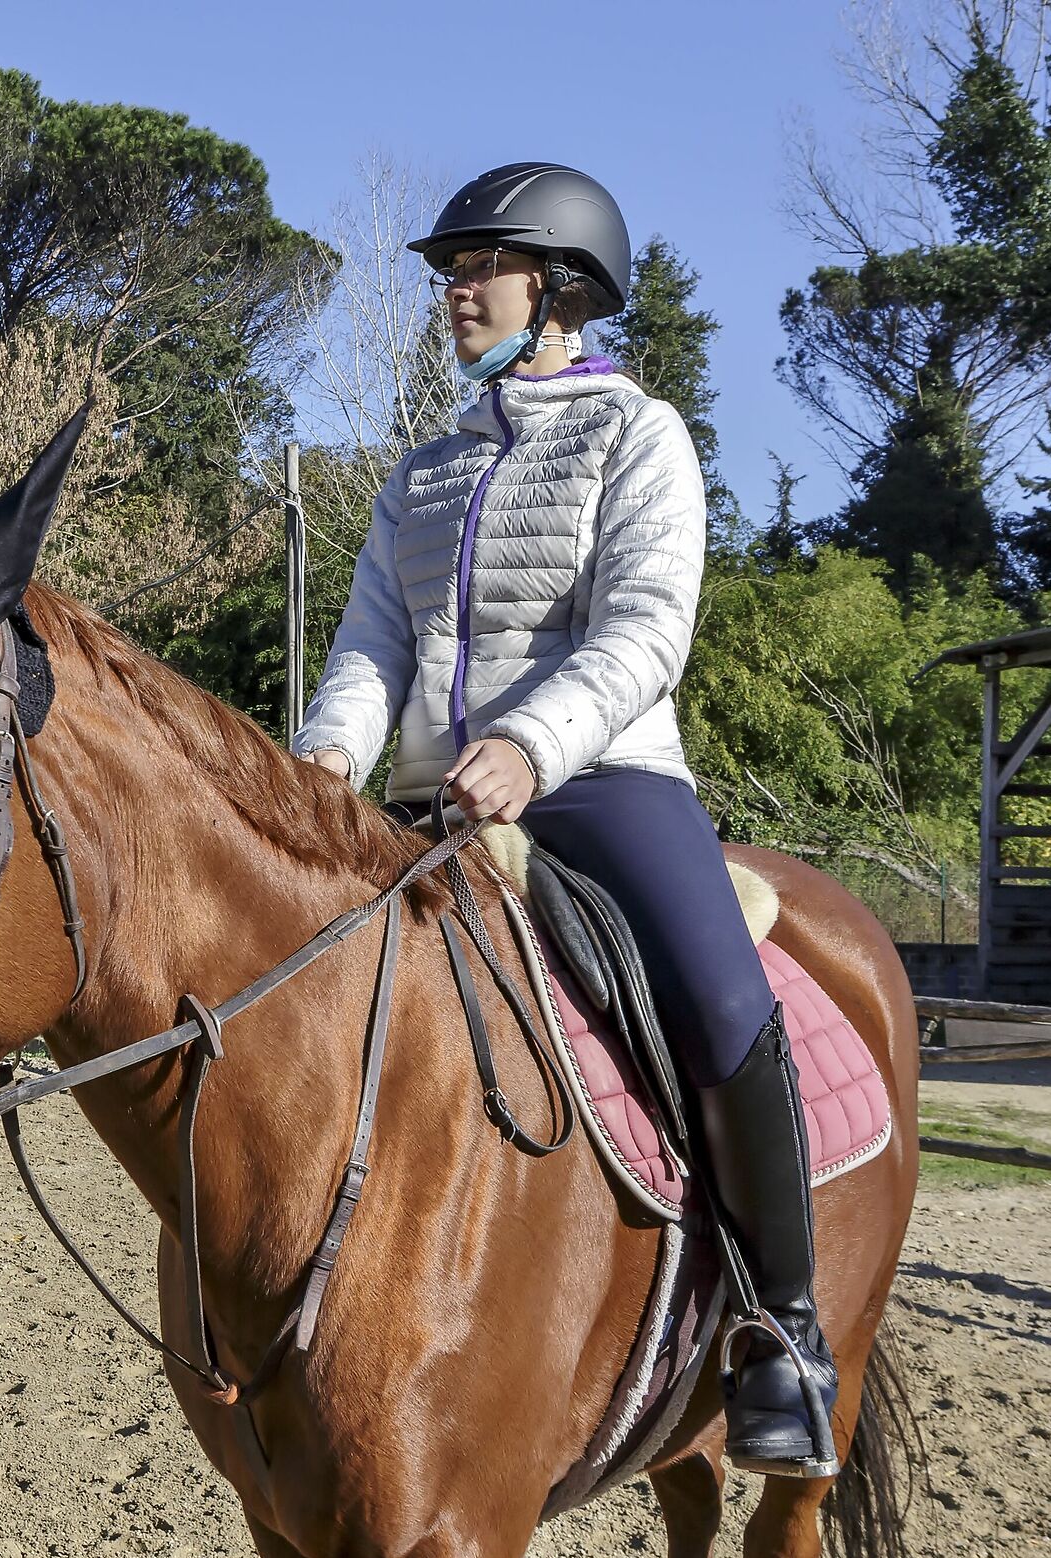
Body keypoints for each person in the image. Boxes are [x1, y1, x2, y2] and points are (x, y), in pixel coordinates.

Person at [290, 162, 838, 1478]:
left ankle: (784, 1329)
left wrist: (531, 746)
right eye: (448, 274)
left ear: (563, 289)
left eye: (479, 269)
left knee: (717, 996)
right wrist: (324, 760)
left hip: (599, 781)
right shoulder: (419, 474)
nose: (454, 293)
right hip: (426, 799)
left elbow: (648, 628)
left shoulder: (636, 436)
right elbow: (373, 637)